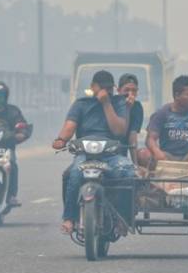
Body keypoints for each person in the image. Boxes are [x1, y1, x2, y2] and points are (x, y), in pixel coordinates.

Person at [52, 70, 135, 234]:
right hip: (85, 153)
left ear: (114, 88)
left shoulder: (119, 103)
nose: (105, 91)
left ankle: (122, 218)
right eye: (101, 88)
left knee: (128, 173)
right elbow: (69, 127)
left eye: (109, 88)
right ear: (93, 87)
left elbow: (119, 130)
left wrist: (106, 104)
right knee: (73, 174)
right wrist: (61, 139)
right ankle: (69, 217)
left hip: (111, 154)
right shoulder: (81, 104)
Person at [138, 75, 188, 171]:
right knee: (142, 154)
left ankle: (185, 173)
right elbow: (150, 139)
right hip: (166, 157)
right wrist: (157, 152)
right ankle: (156, 181)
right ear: (177, 95)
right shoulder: (162, 113)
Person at [117, 73, 144, 164]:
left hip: (122, 153)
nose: (130, 94)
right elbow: (120, 133)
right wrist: (127, 109)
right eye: (126, 90)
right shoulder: (112, 104)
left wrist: (135, 164)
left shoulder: (137, 107)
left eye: (134, 90)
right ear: (118, 90)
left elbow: (133, 135)